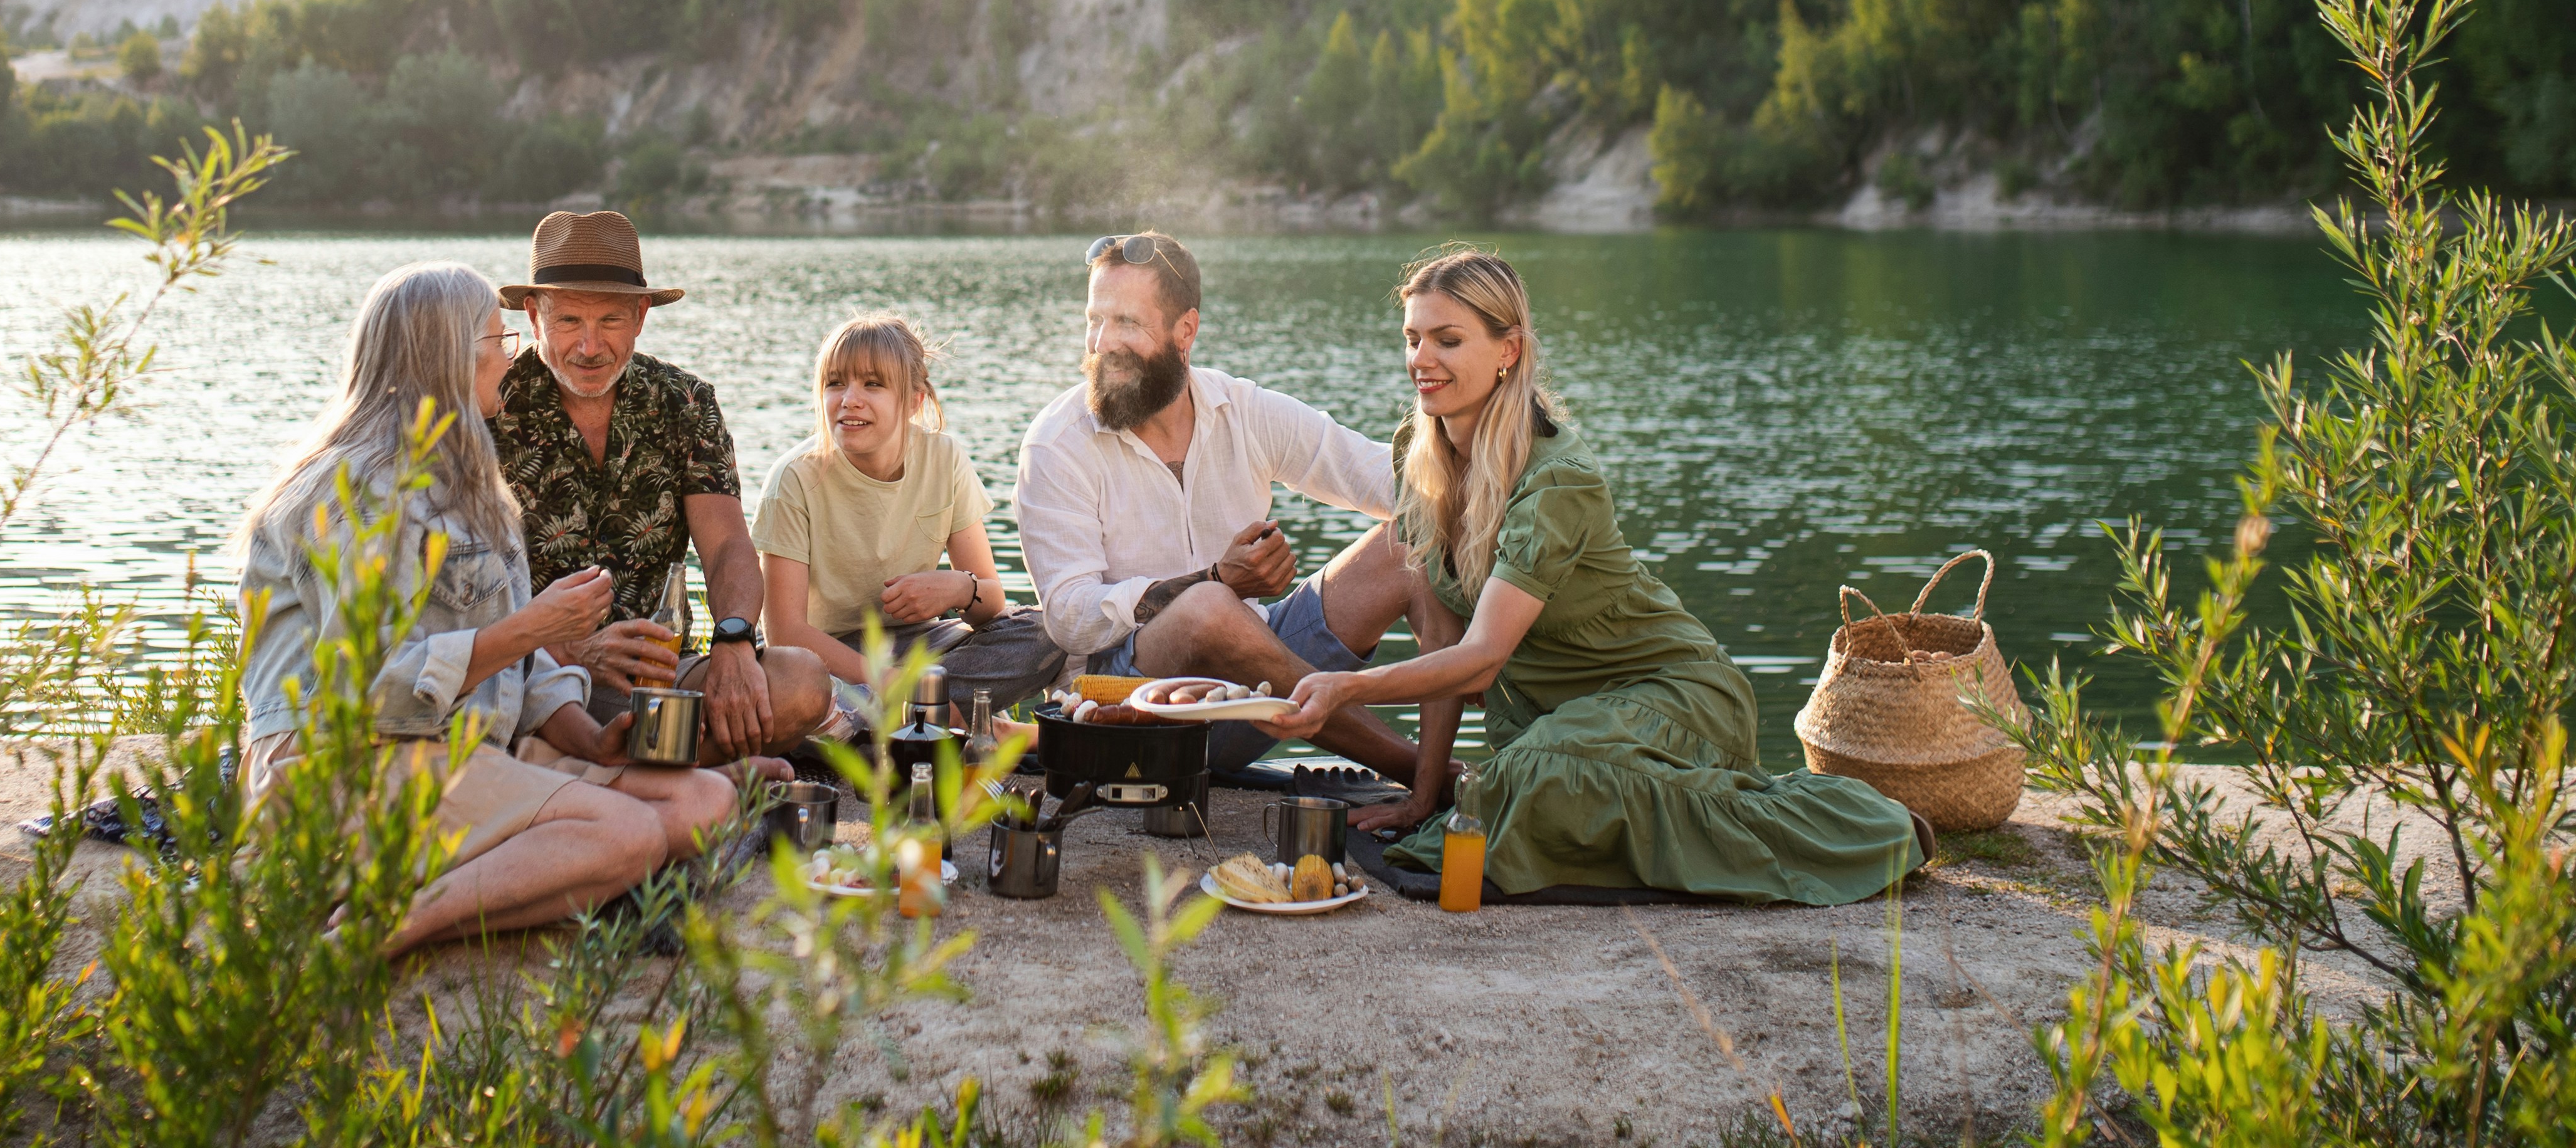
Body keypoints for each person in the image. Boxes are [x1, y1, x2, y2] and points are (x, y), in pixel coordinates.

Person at [1265, 249, 1933, 904]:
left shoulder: (1557, 479)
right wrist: (1421, 791)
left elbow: (1480, 660)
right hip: (1562, 720)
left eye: (1447, 339)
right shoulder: (1423, 450)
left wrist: (1349, 684)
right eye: (1413, 338)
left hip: (1676, 696)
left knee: (1535, 777)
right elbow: (1441, 632)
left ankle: (1870, 827)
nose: (1421, 360)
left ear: (1509, 349)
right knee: (1507, 785)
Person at [236, 261, 739, 955]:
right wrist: (532, 628)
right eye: (499, 340)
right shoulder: (350, 491)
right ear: (449, 356)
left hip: (460, 746)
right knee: (629, 834)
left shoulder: (471, 479)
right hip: (345, 765)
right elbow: (367, 696)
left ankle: (491, 869)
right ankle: (389, 925)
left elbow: (517, 671)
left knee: (703, 803)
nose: (512, 357)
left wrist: (589, 739)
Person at [1013, 228, 1423, 783]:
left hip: (1248, 702)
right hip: (1126, 712)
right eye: (1095, 320)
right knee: (1208, 607)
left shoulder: (1241, 408)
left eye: (1127, 323)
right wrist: (1211, 580)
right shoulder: (1057, 443)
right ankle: (1428, 776)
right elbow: (1068, 619)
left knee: (1414, 540)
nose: (1101, 343)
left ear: (1185, 331)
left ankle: (1484, 741)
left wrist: (1499, 460)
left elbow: (1385, 478)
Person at [489, 209, 833, 764]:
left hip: (656, 677)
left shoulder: (685, 402)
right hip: (528, 674)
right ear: (533, 316)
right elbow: (461, 603)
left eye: (611, 321)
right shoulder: (488, 407)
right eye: (570, 321)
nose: (591, 347)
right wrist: (571, 649)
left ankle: (630, 767)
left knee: (802, 683)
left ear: (641, 316)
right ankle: (664, 771)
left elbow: (726, 546)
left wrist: (735, 640)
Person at [756, 314, 1055, 739]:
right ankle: (963, 726)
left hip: (920, 647)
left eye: (873, 384)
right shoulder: (793, 479)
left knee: (1046, 631)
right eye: (835, 383)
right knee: (790, 691)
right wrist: (888, 681)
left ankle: (900, 724)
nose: (849, 399)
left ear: (914, 400)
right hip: (826, 659)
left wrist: (958, 588)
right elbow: (785, 633)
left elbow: (990, 603)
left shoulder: (944, 460)